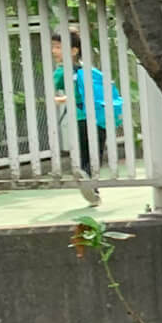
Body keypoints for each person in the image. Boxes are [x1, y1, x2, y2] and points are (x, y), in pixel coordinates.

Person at [50, 33, 122, 205]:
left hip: (81, 118)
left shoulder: (61, 72)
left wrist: (60, 99)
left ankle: (88, 182)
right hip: (100, 118)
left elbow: (50, 91)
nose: (54, 51)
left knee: (84, 154)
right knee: (95, 153)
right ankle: (91, 186)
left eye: (58, 47)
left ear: (74, 50)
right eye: (53, 46)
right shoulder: (89, 71)